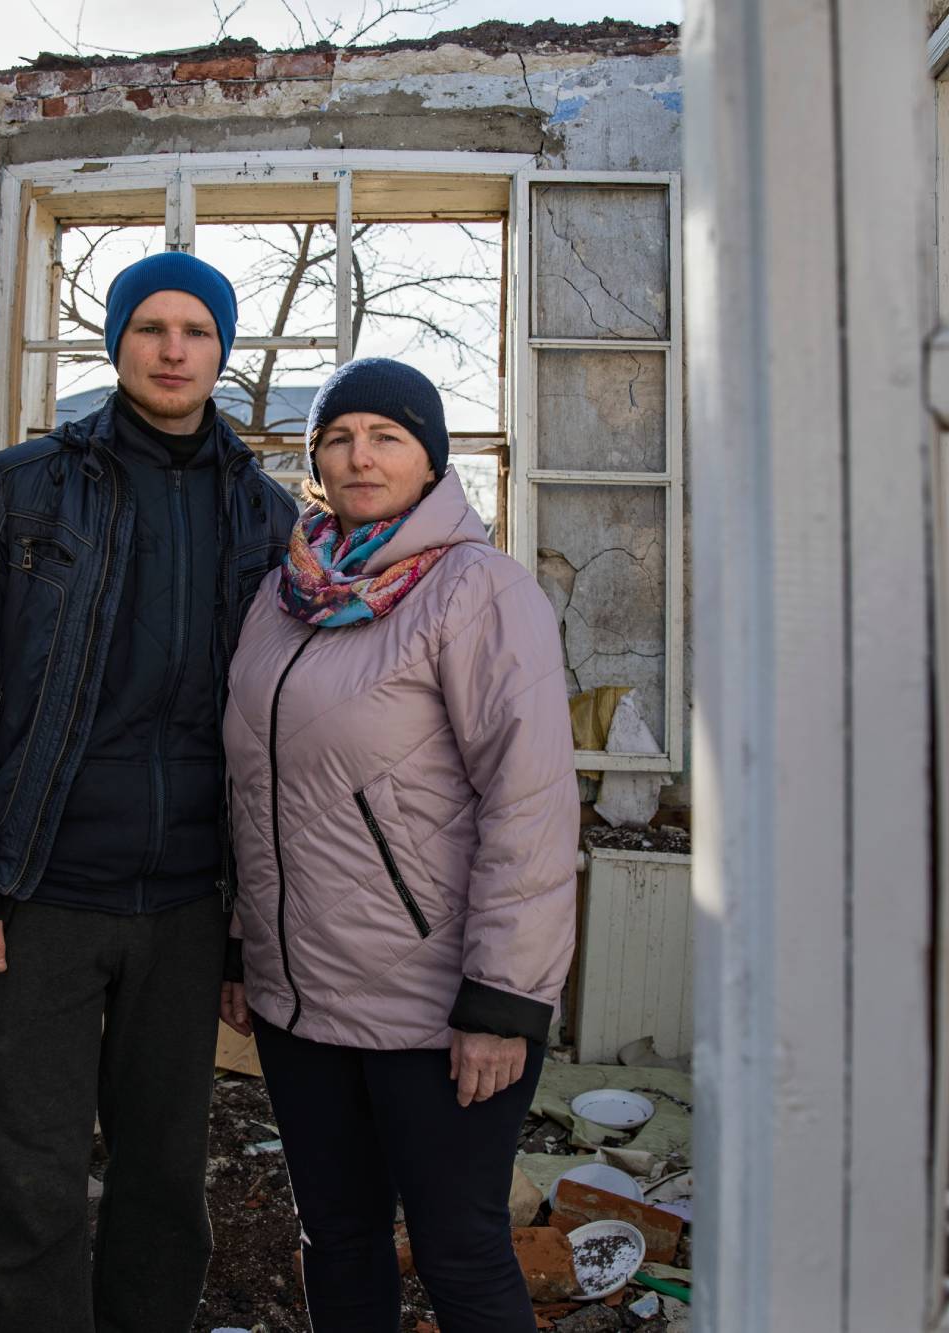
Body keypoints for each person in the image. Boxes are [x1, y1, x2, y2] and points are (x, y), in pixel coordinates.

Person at [0, 251, 298, 1333]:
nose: (173, 350)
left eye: (197, 332)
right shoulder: (24, 488)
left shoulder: (265, 519)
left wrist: (241, 926)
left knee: (165, 1183)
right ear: (117, 343)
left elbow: (278, 732)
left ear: (222, 352)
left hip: (182, 902)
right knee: (25, 1176)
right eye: (150, 328)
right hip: (35, 891)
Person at [218, 357, 579, 1332]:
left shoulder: (478, 591)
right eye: (337, 437)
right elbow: (255, 785)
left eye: (385, 434)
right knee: (335, 1238)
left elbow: (530, 799)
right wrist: (243, 947)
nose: (358, 454)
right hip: (301, 1002)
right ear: (315, 461)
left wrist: (503, 999)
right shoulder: (283, 594)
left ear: (429, 459)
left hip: (435, 1010)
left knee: (460, 1253)